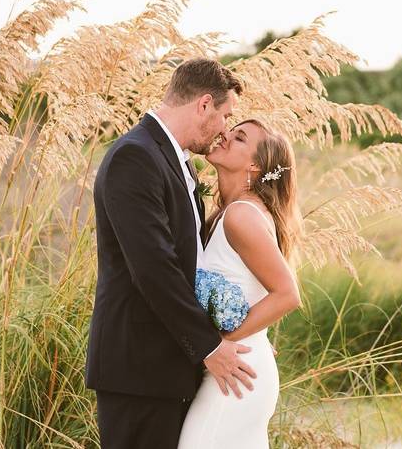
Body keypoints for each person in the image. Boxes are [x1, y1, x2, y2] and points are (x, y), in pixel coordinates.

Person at [86, 58, 256, 449]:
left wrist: (233, 329)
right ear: (203, 105)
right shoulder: (135, 157)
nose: (225, 129)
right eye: (225, 115)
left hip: (169, 368)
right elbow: (154, 268)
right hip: (138, 372)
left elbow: (191, 262)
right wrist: (209, 347)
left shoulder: (178, 162)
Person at [177, 118, 302, 448]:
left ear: (255, 165)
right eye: (231, 131)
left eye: (240, 138)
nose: (225, 137)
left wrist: (215, 343)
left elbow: (287, 295)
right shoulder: (230, 211)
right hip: (238, 367)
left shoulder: (241, 215)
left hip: (236, 374)